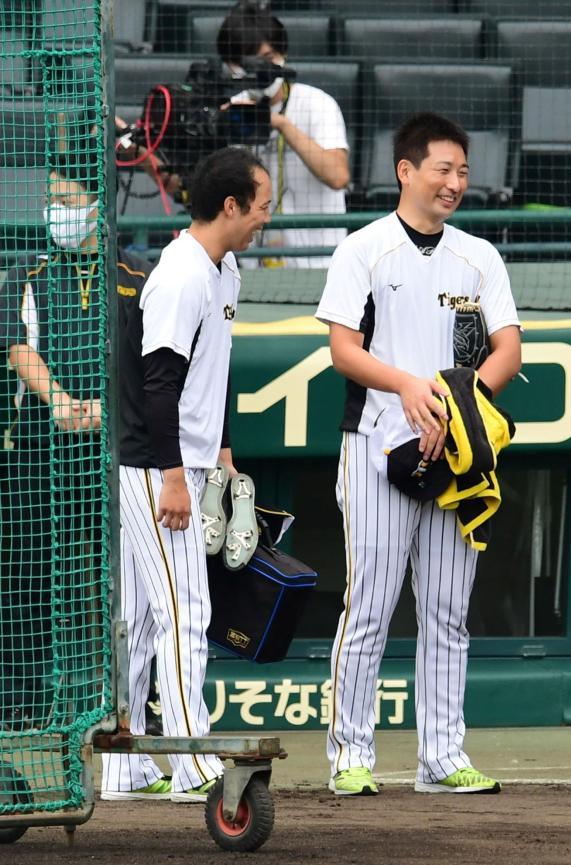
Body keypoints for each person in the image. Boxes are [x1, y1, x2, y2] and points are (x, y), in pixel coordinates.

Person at [316, 112, 522, 796]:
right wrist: (409, 386)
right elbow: (343, 350)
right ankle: (351, 755)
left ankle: (442, 756)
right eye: (443, 169)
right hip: (378, 445)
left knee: (447, 611)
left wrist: (455, 406)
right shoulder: (363, 249)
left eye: (463, 171)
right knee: (369, 607)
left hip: (456, 452)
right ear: (406, 170)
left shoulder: (480, 256)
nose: (455, 182)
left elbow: (509, 349)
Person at [100, 147, 272, 802]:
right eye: (261, 206)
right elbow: (159, 384)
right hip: (156, 466)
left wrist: (222, 451)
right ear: (230, 205)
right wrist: (173, 474)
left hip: (185, 461)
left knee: (145, 618)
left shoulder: (224, 268)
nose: (265, 218)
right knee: (186, 611)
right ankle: (192, 762)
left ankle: (124, 769)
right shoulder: (179, 275)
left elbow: (212, 370)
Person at [0, 154, 151, 730]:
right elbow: (17, 343)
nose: (55, 212)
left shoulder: (138, 276)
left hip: (120, 451)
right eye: (51, 202)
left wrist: (107, 409)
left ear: (97, 206)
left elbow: (153, 362)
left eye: (66, 202)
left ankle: (133, 697)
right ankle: (26, 700)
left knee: (129, 579)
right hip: (42, 449)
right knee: (31, 574)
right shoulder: (30, 271)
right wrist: (60, 401)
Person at [217, 1, 349, 268]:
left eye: (267, 59)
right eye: (247, 62)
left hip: (317, 262)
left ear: (283, 54)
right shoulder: (232, 109)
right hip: (251, 267)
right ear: (231, 65)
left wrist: (281, 124)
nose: (259, 69)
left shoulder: (317, 103)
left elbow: (338, 176)